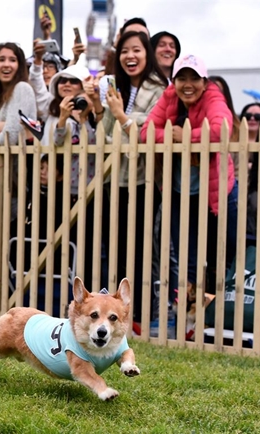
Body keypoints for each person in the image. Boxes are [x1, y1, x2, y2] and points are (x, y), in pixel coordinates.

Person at [142, 54, 238, 301]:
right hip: (179, 192)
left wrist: (184, 135)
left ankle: (222, 312)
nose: (187, 84)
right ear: (173, 81)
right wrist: (171, 135)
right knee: (187, 257)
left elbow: (220, 130)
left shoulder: (213, 96)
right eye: (181, 78)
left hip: (217, 191)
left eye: (194, 78)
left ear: (205, 82)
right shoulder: (169, 96)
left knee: (224, 254)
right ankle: (187, 316)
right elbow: (146, 133)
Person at [98, 30, 168, 318]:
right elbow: (103, 132)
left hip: (144, 179)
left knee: (139, 249)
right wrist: (103, 109)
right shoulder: (117, 88)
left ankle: (138, 313)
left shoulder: (159, 88)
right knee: (111, 246)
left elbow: (154, 127)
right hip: (112, 178)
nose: (130, 56)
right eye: (124, 50)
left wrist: (122, 116)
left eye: (136, 50)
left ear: (147, 53)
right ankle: (109, 310)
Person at [42, 65, 102, 286]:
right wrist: (63, 117)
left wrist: (86, 115)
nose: (66, 84)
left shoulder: (93, 111)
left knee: (88, 246)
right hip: (64, 190)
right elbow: (56, 143)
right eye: (62, 80)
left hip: (92, 189)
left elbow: (99, 142)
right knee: (63, 244)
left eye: (73, 81)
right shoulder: (55, 114)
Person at [0, 42, 37, 148]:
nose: (6, 64)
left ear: (20, 66)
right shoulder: (0, 95)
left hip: (21, 162)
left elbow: (10, 137)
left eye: (12, 60)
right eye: (1, 59)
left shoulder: (22, 88)